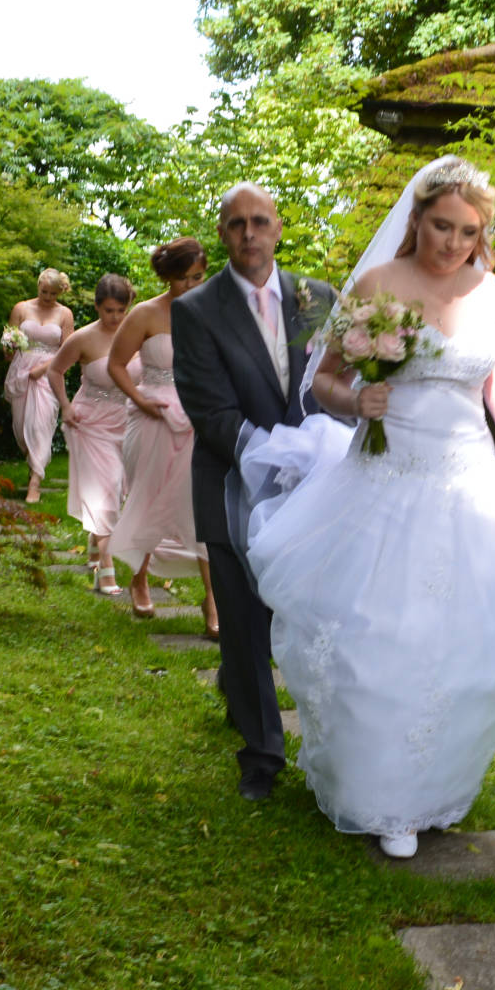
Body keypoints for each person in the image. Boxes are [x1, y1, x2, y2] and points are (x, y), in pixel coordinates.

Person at [236, 155, 495, 857]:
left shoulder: (489, 292)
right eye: (442, 226)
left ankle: (434, 785)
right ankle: (382, 798)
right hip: (389, 479)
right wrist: (359, 399)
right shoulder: (380, 283)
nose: (452, 243)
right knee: (386, 635)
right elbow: (326, 382)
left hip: (470, 483)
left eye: (468, 232)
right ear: (416, 220)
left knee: (466, 638)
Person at [172, 183, 337, 802]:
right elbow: (208, 411)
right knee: (242, 619)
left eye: (260, 221)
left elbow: (334, 382)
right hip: (230, 478)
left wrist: (322, 450)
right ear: (222, 233)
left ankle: (332, 740)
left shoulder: (318, 297)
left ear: (278, 227)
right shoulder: (195, 311)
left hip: (315, 487)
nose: (249, 233)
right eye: (237, 223)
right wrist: (273, 456)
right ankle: (262, 756)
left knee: (314, 615)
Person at [105, 240, 218, 631]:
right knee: (149, 498)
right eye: (181, 279)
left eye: (197, 277)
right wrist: (140, 398)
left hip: (197, 420)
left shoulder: (213, 312)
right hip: (151, 416)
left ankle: (213, 602)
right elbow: (116, 365)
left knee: (202, 506)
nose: (190, 286)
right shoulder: (145, 314)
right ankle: (139, 579)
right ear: (167, 277)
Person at [49, 273, 139, 594]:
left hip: (128, 422)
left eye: (121, 310)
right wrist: (64, 406)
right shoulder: (83, 338)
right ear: (98, 306)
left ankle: (94, 539)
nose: (115, 317)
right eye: (108, 310)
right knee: (106, 488)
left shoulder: (138, 335)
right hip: (90, 423)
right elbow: (55, 370)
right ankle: (107, 566)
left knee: (118, 490)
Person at [3, 268, 74, 504]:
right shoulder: (21, 308)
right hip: (21, 371)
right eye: (44, 292)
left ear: (60, 292)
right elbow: (9, 347)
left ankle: (35, 483)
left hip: (49, 374)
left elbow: (68, 351)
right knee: (22, 427)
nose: (48, 297)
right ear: (38, 286)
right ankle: (34, 463)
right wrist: (9, 346)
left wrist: (43, 369)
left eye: (53, 294)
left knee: (41, 424)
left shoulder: (65, 314)